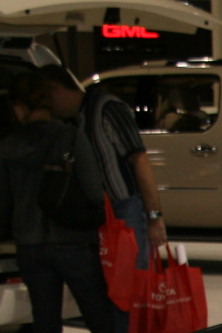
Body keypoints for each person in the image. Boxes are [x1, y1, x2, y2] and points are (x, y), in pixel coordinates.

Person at [0, 68, 131, 333]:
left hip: (31, 244)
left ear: (19, 106)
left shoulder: (9, 145)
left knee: (45, 327)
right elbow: (92, 188)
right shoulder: (71, 137)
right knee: (99, 322)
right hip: (74, 241)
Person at [43, 67, 168, 266]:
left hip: (123, 208)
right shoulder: (70, 121)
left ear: (56, 90)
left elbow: (139, 159)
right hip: (93, 213)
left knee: (130, 277)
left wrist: (154, 217)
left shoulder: (106, 108)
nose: (49, 109)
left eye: (47, 100)